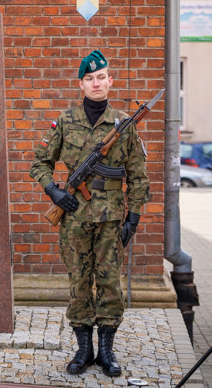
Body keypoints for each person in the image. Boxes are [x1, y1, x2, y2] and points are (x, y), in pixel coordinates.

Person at [30, 50, 149, 377]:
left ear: (111, 81)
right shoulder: (65, 122)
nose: (96, 83)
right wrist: (53, 190)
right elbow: (39, 163)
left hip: (112, 221)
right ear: (81, 84)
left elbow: (138, 175)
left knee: (110, 284)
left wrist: (133, 218)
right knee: (80, 282)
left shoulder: (124, 124)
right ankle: (84, 349)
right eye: (89, 79)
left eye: (101, 77)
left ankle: (107, 351)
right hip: (74, 220)